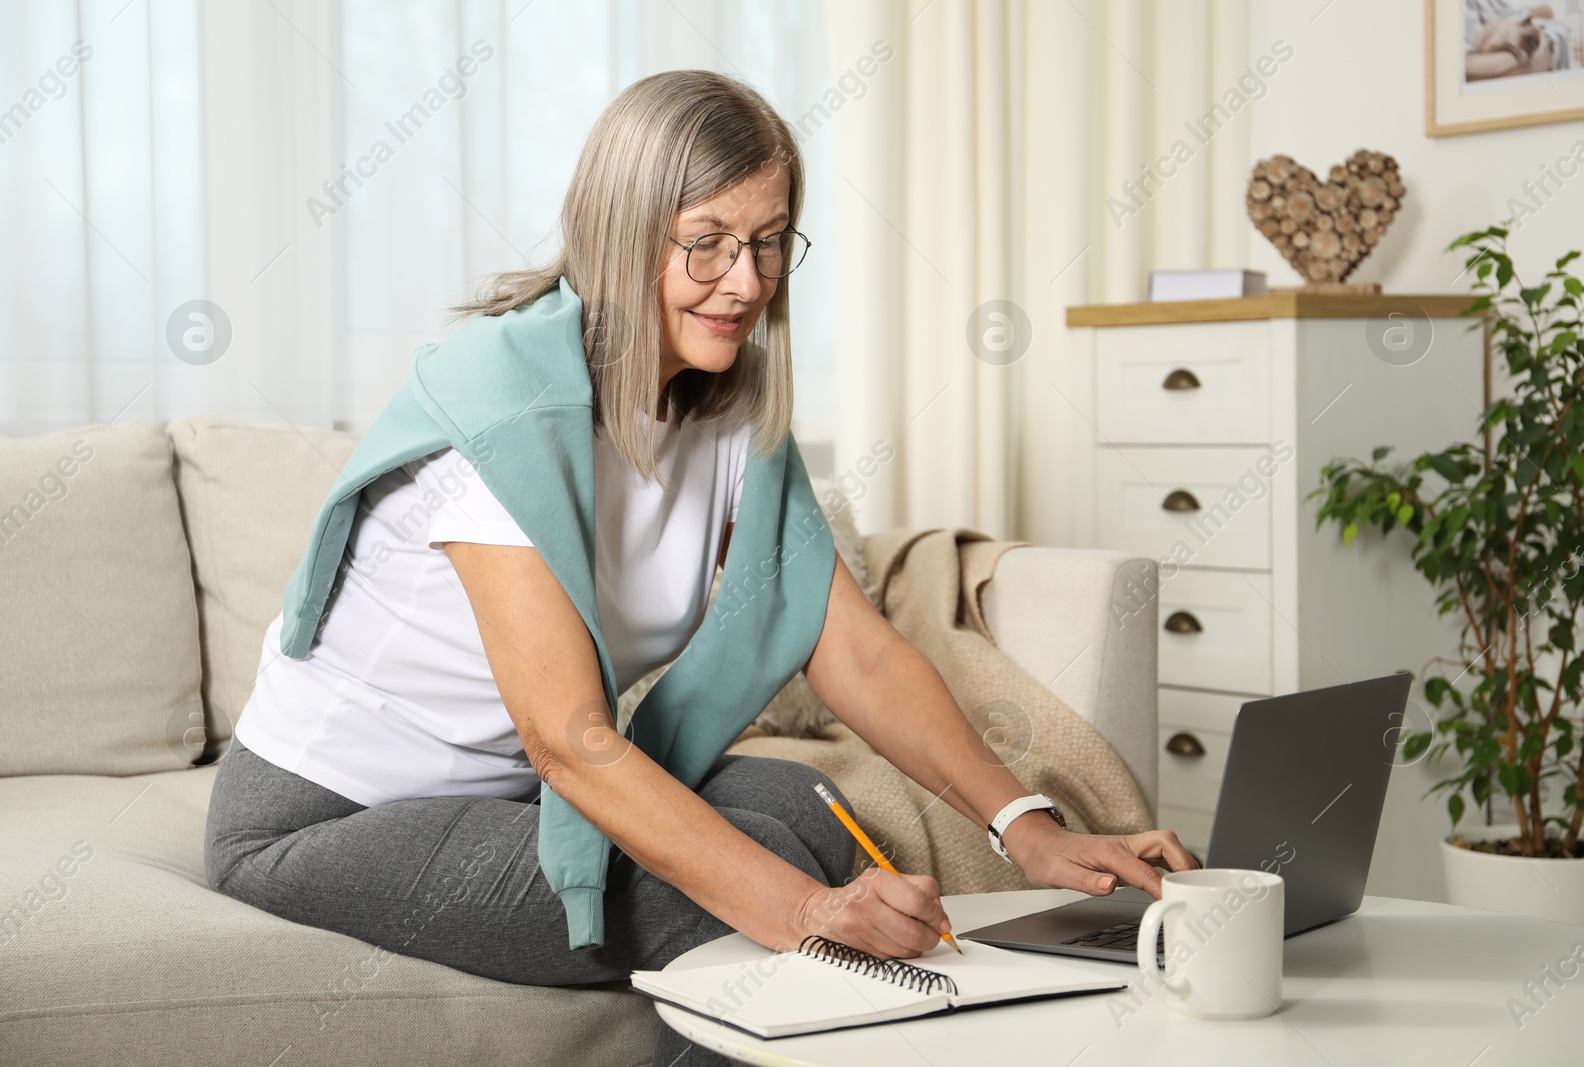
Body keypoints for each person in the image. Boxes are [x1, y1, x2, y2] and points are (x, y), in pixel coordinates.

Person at [203, 68, 1196, 1067]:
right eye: (707, 241)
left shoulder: (725, 408)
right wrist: (806, 910)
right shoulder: (501, 414)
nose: (747, 280)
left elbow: (854, 648)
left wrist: (1027, 825)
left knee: (797, 807)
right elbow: (570, 739)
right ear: (618, 229)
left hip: (499, 798)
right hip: (324, 817)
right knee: (758, 912)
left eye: (768, 241)